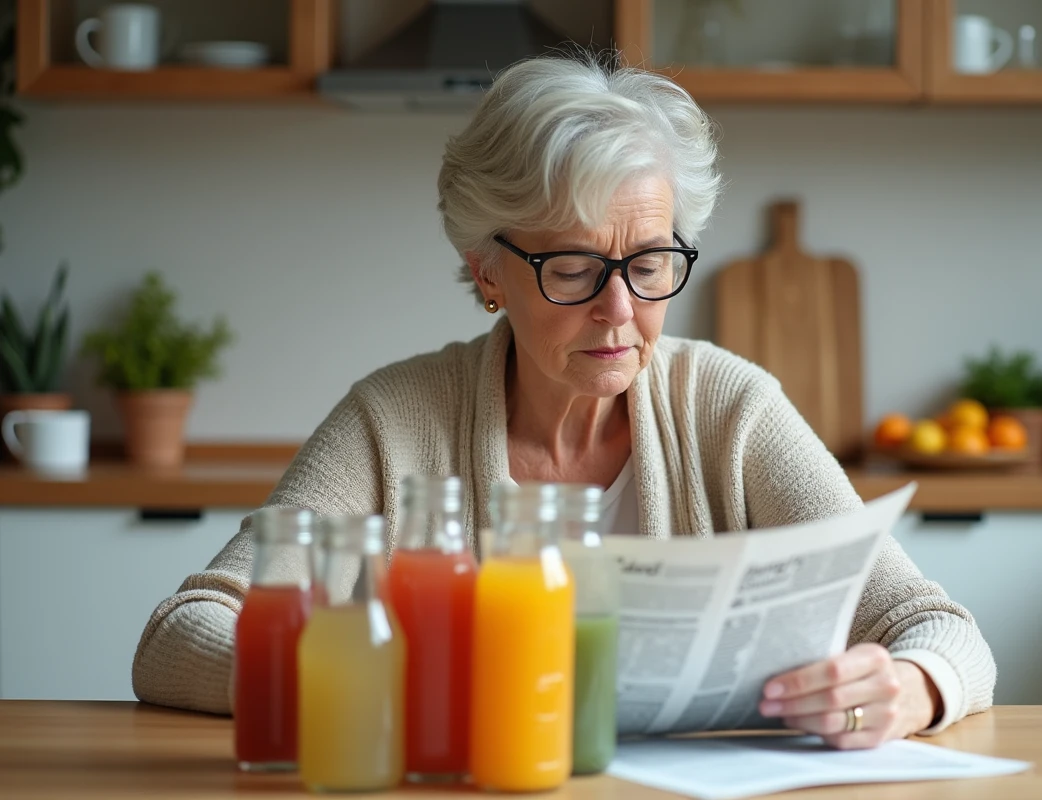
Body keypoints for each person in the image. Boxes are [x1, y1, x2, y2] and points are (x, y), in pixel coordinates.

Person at [132, 53, 995, 749]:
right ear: (490, 272)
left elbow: (934, 626)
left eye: (651, 264)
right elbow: (181, 635)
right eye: (575, 269)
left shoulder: (729, 409)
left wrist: (910, 689)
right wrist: (373, 672)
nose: (621, 311)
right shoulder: (393, 422)